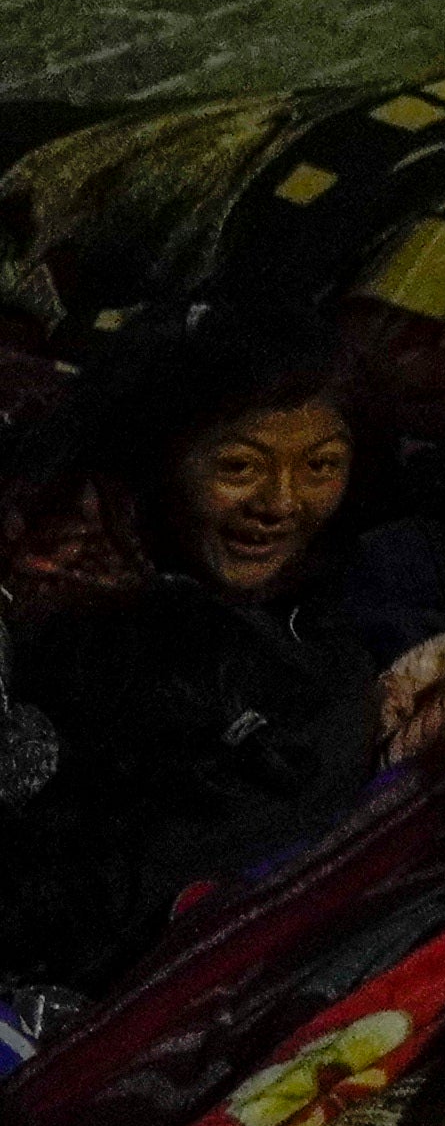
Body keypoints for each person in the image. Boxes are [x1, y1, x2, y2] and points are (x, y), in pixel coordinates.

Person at [0, 320, 390, 996]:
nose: (279, 503)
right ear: (166, 455)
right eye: (239, 466)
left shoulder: (309, 680)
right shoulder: (49, 559)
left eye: (321, 466)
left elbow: (139, 892)